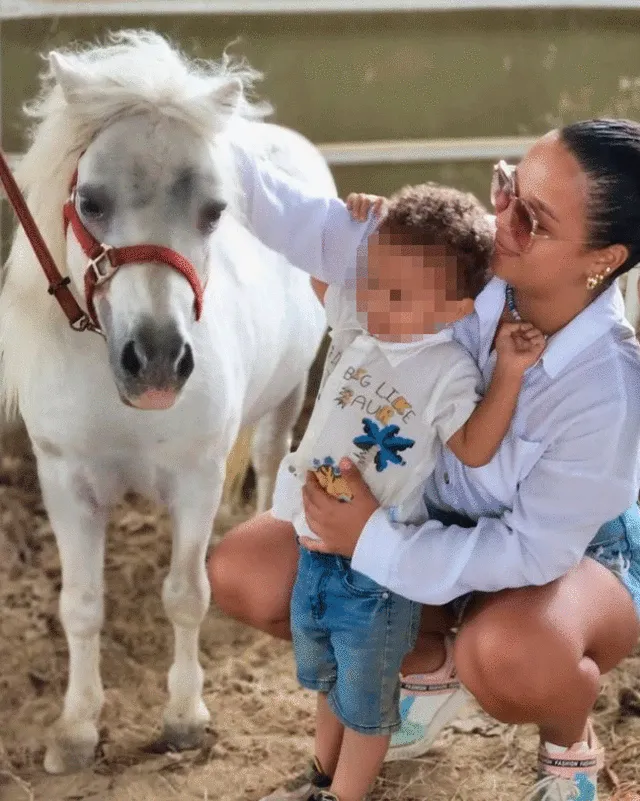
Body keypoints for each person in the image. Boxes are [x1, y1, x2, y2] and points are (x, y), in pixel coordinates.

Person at [211, 119, 640, 801]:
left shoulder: (608, 387)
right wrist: (193, 124)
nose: (499, 218)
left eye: (533, 218)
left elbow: (532, 550)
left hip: (570, 562)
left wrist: (375, 539)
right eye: (507, 187)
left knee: (506, 653)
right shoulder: (451, 255)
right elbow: (294, 220)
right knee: (247, 572)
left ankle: (567, 737)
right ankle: (428, 659)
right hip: (423, 519)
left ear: (603, 258)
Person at [259, 182, 544, 801]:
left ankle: (346, 794)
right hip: (316, 548)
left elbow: (473, 446)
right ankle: (320, 778)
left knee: (366, 698)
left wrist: (511, 374)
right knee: (329, 677)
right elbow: (319, 273)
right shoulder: (362, 325)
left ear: (455, 308)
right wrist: (355, 220)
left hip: (375, 566)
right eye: (372, 280)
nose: (375, 300)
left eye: (397, 293)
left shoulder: (444, 369)